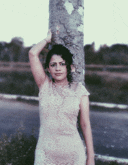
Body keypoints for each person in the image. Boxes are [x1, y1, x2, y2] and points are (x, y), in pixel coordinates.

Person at [29, 30, 95, 165]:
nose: (57, 68)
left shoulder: (79, 91)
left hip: (73, 156)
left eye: (62, 64)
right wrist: (47, 40)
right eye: (53, 65)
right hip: (45, 155)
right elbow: (32, 54)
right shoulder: (45, 86)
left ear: (70, 67)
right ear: (48, 68)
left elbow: (85, 124)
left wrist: (91, 157)